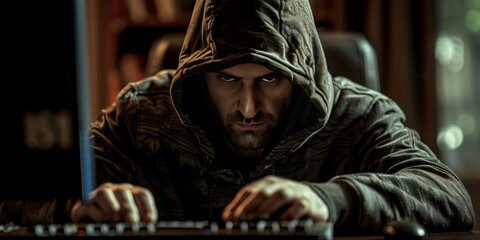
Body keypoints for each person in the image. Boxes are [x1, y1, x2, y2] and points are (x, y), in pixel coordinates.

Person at [0, 0, 475, 235]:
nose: (248, 108)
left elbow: (450, 196)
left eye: (269, 80)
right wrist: (78, 208)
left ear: (302, 77)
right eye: (228, 80)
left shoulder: (359, 115)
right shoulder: (140, 116)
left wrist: (330, 198)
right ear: (198, 78)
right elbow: (16, 194)